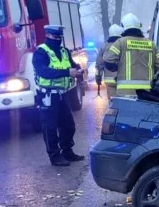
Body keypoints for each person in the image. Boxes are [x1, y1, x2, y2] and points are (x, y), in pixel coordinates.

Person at [32, 25, 86, 167]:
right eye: (55, 37)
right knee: (50, 127)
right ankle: (55, 156)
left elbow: (72, 65)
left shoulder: (64, 51)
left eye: (60, 38)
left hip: (63, 93)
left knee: (68, 126)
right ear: (48, 36)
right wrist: (67, 72)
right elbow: (44, 72)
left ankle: (67, 151)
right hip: (48, 95)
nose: (58, 40)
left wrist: (79, 70)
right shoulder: (41, 52)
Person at [103, 13, 159, 96]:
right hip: (147, 92)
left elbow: (108, 61)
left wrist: (117, 68)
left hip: (125, 92)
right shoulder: (151, 44)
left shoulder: (120, 42)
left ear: (123, 27)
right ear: (139, 27)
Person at [95, 24, 123, 98]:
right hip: (123, 81)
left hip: (110, 80)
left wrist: (98, 77)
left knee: (112, 102)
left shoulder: (104, 47)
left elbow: (99, 64)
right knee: (124, 101)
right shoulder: (124, 45)